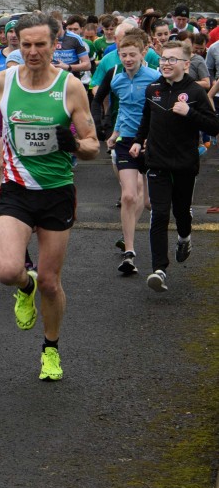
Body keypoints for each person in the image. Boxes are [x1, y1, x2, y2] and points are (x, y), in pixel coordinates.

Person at [0, 13, 100, 382]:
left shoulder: (70, 87)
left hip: (57, 191)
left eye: (40, 44)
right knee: (7, 272)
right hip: (16, 189)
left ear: (54, 44)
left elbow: (94, 145)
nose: (32, 51)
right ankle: (23, 288)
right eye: (25, 44)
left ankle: (50, 349)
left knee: (50, 281)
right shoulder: (3, 81)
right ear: (16, 43)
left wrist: (75, 144)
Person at [132, 39, 219, 292]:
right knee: (159, 213)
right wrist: (138, 141)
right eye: (163, 59)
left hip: (184, 163)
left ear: (185, 64)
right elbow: (146, 121)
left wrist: (189, 113)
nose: (166, 64)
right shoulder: (153, 89)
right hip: (157, 161)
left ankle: (184, 238)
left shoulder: (195, 92)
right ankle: (159, 269)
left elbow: (214, 126)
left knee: (181, 212)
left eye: (172, 60)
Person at [91, 30, 160, 275]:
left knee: (147, 199)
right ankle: (129, 251)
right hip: (124, 141)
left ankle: (130, 230)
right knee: (129, 195)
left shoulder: (155, 78)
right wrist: (114, 132)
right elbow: (124, 109)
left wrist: (149, 139)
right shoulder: (117, 79)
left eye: (132, 54)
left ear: (143, 54)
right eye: (123, 55)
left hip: (150, 142)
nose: (128, 59)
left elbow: (161, 113)